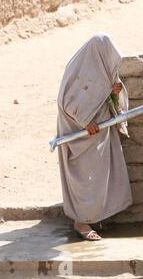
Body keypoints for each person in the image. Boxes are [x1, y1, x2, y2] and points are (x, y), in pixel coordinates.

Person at [56, 33, 132, 241]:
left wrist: (114, 92)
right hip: (79, 136)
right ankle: (81, 221)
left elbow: (108, 98)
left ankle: (95, 216)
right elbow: (65, 101)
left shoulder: (104, 69)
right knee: (84, 178)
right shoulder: (77, 68)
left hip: (100, 133)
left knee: (101, 176)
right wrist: (84, 122)